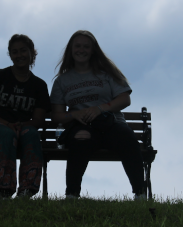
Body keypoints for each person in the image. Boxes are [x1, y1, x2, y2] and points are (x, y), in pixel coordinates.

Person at [50, 30, 145, 200]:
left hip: (111, 123)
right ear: (70, 50)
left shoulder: (106, 73)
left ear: (93, 50)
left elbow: (125, 99)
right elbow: (57, 116)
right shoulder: (62, 81)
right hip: (82, 125)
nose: (81, 50)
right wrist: (74, 114)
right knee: (81, 137)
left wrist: (100, 109)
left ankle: (140, 194)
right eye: (77, 46)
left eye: (86, 46)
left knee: (127, 137)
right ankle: (72, 194)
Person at [0, 34, 50, 198]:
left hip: (22, 131)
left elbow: (37, 120)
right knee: (7, 134)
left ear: (32, 52)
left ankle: (27, 190)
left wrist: (21, 126)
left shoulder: (39, 85)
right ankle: (4, 190)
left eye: (23, 51)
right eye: (14, 52)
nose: (19, 55)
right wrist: (6, 125)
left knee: (31, 133)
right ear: (10, 55)